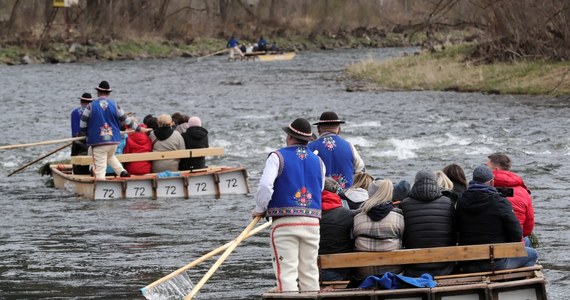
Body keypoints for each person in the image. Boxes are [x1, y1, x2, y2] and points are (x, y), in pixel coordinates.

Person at [252, 118, 325, 293]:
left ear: (289, 137)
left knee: (286, 274)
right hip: (313, 223)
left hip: (285, 223)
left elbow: (265, 186)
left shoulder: (277, 156)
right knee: (310, 272)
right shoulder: (319, 161)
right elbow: (319, 188)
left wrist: (260, 209)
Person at [456, 165, 537, 272]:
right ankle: (514, 282)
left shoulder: (461, 201)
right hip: (495, 262)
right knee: (532, 254)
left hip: (468, 262)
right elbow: (516, 233)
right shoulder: (499, 201)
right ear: (492, 183)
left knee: (526, 243)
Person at [79, 81, 145, 179]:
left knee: (100, 167)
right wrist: (138, 128)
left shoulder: (90, 106)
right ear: (109, 93)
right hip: (113, 141)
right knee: (110, 156)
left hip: (98, 141)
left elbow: (83, 123)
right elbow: (126, 120)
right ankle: (122, 172)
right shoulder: (115, 105)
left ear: (98, 92)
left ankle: (100, 184)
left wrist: (83, 134)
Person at [399, 170, 456, 277]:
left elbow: (402, 238)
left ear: (415, 183)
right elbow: (453, 234)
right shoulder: (448, 203)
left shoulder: (404, 204)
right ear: (435, 182)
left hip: (413, 268)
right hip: (444, 266)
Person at [352, 179, 404, 279]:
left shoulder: (357, 216)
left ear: (370, 193)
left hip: (363, 273)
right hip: (393, 272)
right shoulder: (398, 216)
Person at [486, 153, 535, 244]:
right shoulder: (523, 191)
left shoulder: (480, 190)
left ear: (496, 170)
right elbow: (528, 227)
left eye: (486, 167)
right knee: (529, 244)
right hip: (513, 245)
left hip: (485, 244)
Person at [308, 111, 365, 189]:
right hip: (345, 198)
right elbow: (361, 171)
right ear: (339, 129)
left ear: (318, 129)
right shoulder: (350, 147)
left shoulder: (310, 148)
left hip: (321, 198)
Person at [319, 177, 354, 281]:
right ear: (335, 192)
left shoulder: (310, 214)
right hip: (341, 271)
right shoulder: (347, 214)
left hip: (312, 271)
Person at [70, 92, 92, 175]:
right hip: (91, 141)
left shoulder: (74, 112)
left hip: (77, 141)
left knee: (76, 163)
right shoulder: (93, 112)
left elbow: (74, 132)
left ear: (81, 101)